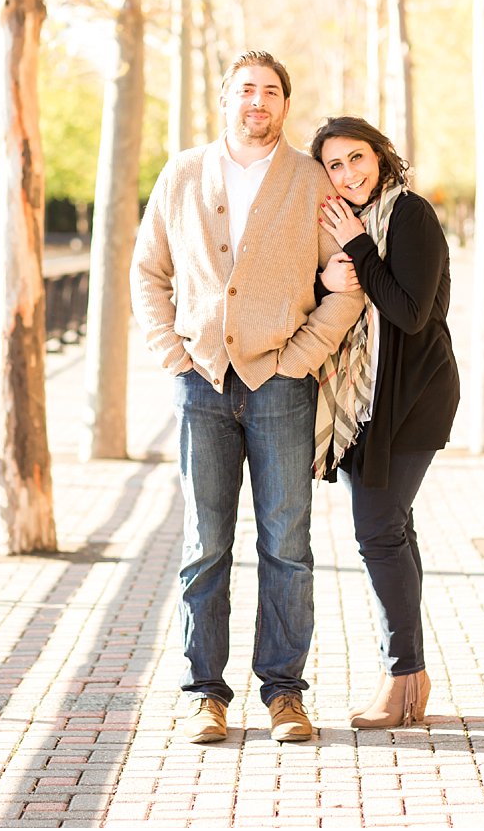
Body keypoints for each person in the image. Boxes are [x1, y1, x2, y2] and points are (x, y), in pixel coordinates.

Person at [131, 51, 364, 744]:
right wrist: (173, 355)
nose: (256, 101)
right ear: (224, 98)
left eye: (269, 92)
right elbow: (149, 271)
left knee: (287, 543)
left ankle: (284, 693)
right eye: (245, 90)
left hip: (281, 387)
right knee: (205, 542)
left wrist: (298, 360)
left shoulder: (310, 179)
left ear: (284, 105)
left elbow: (346, 283)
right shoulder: (182, 174)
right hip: (200, 381)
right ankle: (205, 694)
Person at [312, 116, 460, 728]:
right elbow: (333, 300)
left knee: (376, 532)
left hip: (411, 397)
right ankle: (411, 680)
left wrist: (358, 248)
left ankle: (401, 676)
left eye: (356, 158)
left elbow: (409, 312)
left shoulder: (410, 215)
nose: (348, 173)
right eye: (334, 166)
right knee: (392, 529)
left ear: (380, 155)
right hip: (362, 401)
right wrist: (329, 274)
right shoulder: (346, 223)